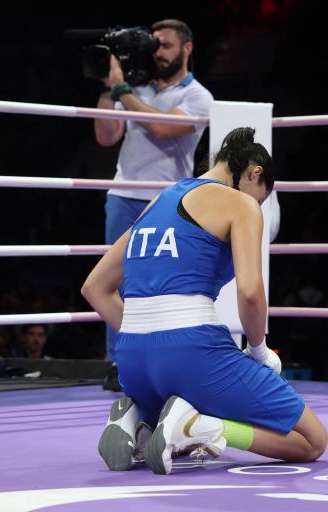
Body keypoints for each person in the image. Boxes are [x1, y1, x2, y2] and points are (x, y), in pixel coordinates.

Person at [82, 127, 328, 475]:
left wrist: (148, 335)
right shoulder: (240, 203)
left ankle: (139, 423)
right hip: (192, 352)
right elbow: (250, 292)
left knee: (172, 430)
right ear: (255, 172)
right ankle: (202, 426)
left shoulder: (158, 201)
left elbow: (94, 287)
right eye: (260, 198)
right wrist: (259, 349)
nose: (256, 205)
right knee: (310, 440)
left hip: (133, 363)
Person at [94, 18, 214, 364]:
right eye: (154, 45)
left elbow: (163, 127)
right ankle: (118, 362)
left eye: (165, 45)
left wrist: (122, 92)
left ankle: (162, 360)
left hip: (167, 202)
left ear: (186, 48)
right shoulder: (137, 90)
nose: (157, 52)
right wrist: (106, 87)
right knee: (114, 282)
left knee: (162, 284)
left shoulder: (197, 95)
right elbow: (106, 137)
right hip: (122, 195)